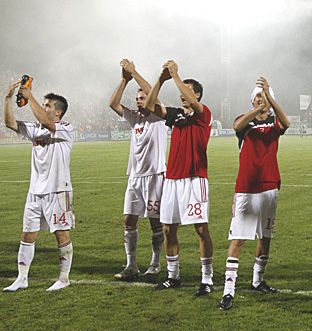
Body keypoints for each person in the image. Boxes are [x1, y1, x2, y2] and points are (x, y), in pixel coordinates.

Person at [218, 77, 290, 310]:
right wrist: (259, 107)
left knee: (265, 237)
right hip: (247, 188)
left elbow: (286, 123)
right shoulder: (244, 122)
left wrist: (270, 97)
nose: (260, 98)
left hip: (269, 187)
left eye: (264, 95)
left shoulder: (274, 123)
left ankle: (258, 281)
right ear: (251, 99)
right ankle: (229, 291)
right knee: (238, 239)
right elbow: (237, 127)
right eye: (257, 95)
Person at [144, 60, 214, 296]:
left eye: (187, 90)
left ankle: (207, 279)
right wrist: (161, 80)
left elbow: (193, 102)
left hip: (195, 179)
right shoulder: (176, 115)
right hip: (172, 180)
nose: (182, 94)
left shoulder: (204, 114)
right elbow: (151, 105)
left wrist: (176, 76)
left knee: (201, 229)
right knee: (167, 229)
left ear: (197, 94)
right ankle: (173, 276)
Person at [3, 80, 74, 292]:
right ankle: (22, 278)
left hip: (58, 190)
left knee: (61, 234)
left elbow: (47, 123)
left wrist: (30, 96)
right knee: (27, 234)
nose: (44, 108)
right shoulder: (36, 129)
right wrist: (8, 98)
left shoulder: (65, 128)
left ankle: (63, 278)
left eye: (48, 105)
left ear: (58, 113)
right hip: (35, 191)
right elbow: (9, 123)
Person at [108, 59, 167, 280]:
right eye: (137, 99)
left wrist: (136, 72)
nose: (139, 101)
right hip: (134, 176)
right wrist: (124, 80)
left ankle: (155, 263)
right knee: (129, 220)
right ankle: (131, 265)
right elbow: (113, 104)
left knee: (155, 222)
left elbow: (153, 95)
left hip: (154, 176)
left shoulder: (158, 117)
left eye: (142, 98)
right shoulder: (135, 119)